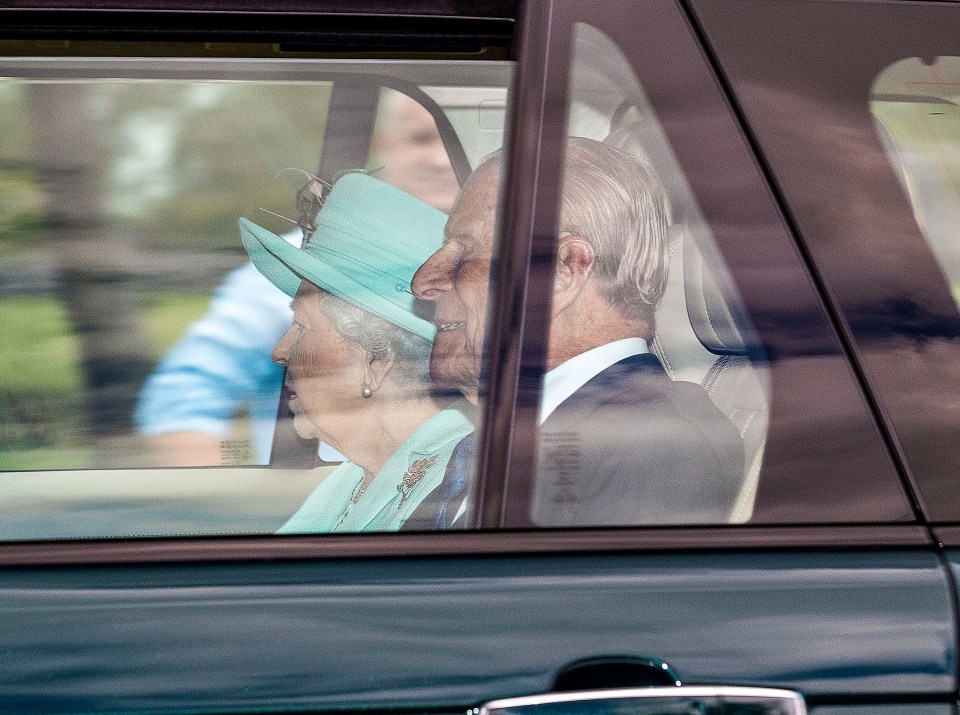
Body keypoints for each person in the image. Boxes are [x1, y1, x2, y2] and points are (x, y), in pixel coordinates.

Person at [407, 137, 745, 528]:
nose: (423, 281)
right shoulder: (514, 437)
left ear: (562, 271)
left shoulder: (654, 448)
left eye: (465, 250)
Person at [135, 90, 459, 466]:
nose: (440, 160)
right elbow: (182, 400)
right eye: (420, 139)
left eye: (450, 142)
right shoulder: (299, 263)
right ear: (383, 144)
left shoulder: (512, 271)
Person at [239, 172, 473, 531]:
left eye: (301, 326)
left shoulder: (455, 486)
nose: (280, 351)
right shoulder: (358, 477)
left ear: (377, 360)